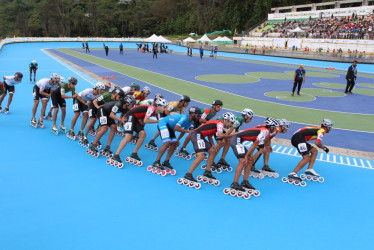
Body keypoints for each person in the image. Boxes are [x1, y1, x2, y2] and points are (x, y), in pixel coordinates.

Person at [181, 112, 236, 186]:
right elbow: (220, 135)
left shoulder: (217, 123)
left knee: (213, 151)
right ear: (227, 120)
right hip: (197, 135)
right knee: (201, 156)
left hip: (200, 136)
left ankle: (207, 171)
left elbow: (210, 134)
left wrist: (212, 144)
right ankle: (189, 174)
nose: (231, 125)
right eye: (231, 123)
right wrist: (232, 135)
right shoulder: (220, 124)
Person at [109, 98, 168, 166]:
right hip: (130, 115)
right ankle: (116, 155)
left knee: (143, 134)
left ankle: (134, 153)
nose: (165, 109)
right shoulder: (151, 108)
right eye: (164, 107)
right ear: (159, 106)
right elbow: (146, 121)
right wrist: (157, 121)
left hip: (135, 118)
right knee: (128, 136)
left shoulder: (157, 112)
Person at [228, 118, 278, 194]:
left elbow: (254, 141)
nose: (275, 129)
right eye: (274, 127)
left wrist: (250, 155)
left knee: (250, 160)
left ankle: (245, 181)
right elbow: (255, 144)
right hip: (236, 139)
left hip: (239, 140)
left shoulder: (264, 130)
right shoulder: (265, 131)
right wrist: (247, 155)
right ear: (271, 127)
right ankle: (235, 183)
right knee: (242, 161)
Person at [151, 106, 202, 173]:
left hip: (170, 127)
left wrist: (178, 139)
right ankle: (156, 162)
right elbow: (177, 128)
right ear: (192, 114)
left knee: (174, 143)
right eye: (198, 115)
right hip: (164, 123)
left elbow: (183, 131)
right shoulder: (184, 117)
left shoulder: (191, 122)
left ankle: (166, 161)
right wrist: (189, 132)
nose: (199, 117)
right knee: (167, 143)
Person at [88, 95, 136, 159]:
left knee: (114, 128)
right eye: (131, 105)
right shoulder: (118, 104)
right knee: (105, 128)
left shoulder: (127, 109)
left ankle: (108, 146)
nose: (132, 107)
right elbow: (111, 115)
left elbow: (124, 118)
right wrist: (120, 120)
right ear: (127, 103)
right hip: (102, 110)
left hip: (108, 114)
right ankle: (93, 145)